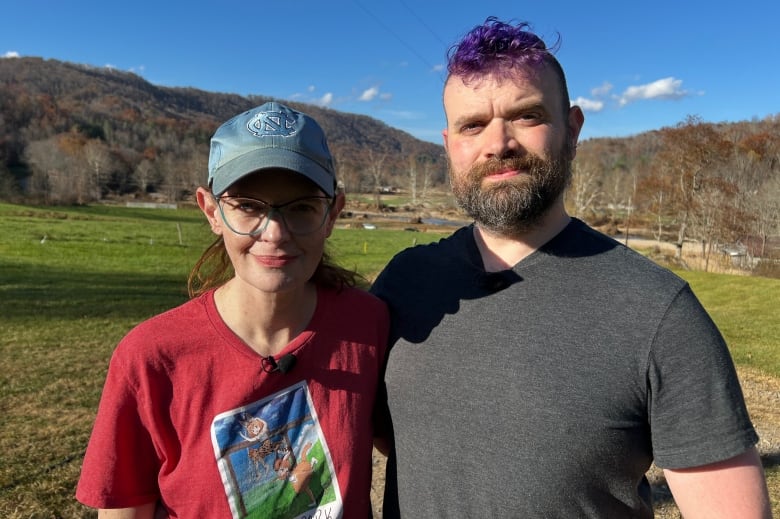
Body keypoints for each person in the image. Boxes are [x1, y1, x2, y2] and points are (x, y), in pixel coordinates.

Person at [370, 17, 771, 518]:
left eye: (527, 116)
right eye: (474, 125)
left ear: (573, 128)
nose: (499, 144)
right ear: (450, 145)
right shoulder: (402, 284)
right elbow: (396, 438)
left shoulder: (657, 311)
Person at [76, 102, 389, 518]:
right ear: (211, 211)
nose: (274, 233)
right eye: (248, 206)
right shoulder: (151, 357)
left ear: (332, 213)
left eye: (301, 208)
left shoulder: (370, 325)